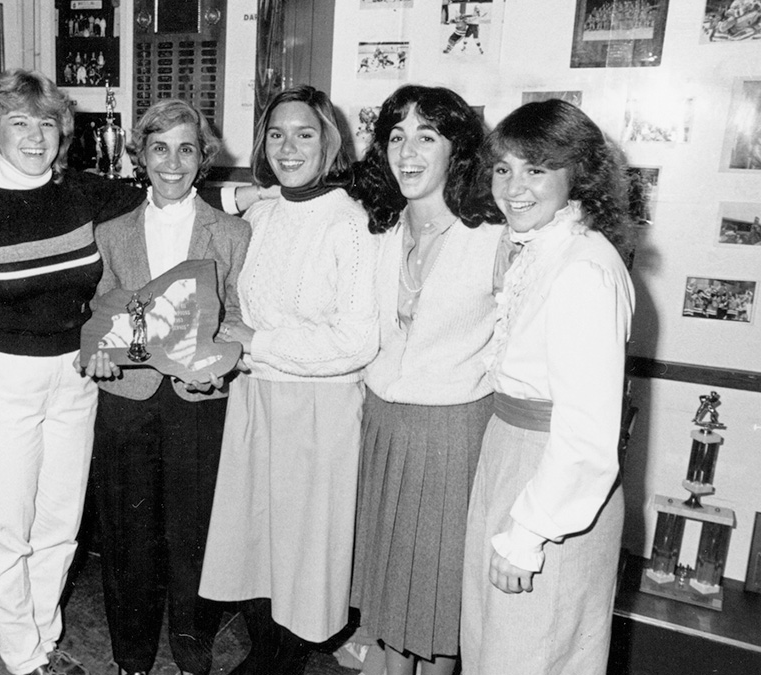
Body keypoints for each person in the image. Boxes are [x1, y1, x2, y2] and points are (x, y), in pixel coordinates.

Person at [0, 69, 142, 675]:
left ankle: (44, 636)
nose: (35, 135)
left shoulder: (81, 192)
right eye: (18, 122)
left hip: (74, 375)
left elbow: (163, 194)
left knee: (59, 525)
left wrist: (242, 198)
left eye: (47, 123)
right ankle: (23, 657)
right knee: (5, 530)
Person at [197, 85, 380, 675]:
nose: (289, 146)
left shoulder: (353, 223)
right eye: (276, 134)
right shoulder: (264, 210)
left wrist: (257, 342)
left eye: (305, 133)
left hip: (319, 407)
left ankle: (281, 660)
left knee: (303, 553)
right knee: (252, 538)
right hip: (256, 395)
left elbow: (356, 342)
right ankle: (259, 647)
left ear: (330, 141)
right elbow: (203, 196)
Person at [461, 99, 635, 675]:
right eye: (503, 168)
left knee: (533, 653)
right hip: (511, 455)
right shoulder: (544, 249)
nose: (514, 187)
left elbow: (586, 429)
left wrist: (529, 532)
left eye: (536, 169)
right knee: (498, 648)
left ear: (577, 175)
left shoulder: (584, 267)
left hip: (549, 477)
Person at [80, 99, 250, 675]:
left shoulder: (232, 233)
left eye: (186, 148)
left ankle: (191, 645)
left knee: (195, 532)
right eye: (159, 148)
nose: (172, 162)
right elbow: (99, 314)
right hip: (126, 399)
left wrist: (223, 358)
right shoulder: (110, 233)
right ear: (140, 157)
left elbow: (241, 318)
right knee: (127, 536)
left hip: (200, 401)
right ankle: (130, 656)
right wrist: (98, 357)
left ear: (203, 158)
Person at [347, 85, 504, 675]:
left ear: (456, 149)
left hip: (452, 439)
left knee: (435, 614)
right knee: (388, 603)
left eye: (426, 136)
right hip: (382, 429)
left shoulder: (493, 238)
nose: (407, 152)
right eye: (396, 136)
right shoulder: (381, 230)